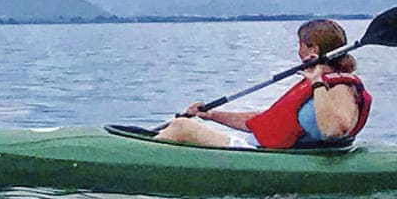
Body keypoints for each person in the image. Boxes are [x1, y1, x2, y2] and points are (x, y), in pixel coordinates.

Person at [155, 18, 372, 150]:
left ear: (313, 50)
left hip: (269, 158)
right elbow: (263, 122)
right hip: (262, 149)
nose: (298, 51)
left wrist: (317, 83)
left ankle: (141, 158)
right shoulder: (318, 84)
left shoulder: (340, 88)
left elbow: (333, 131)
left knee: (182, 127)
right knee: (183, 127)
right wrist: (212, 115)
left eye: (301, 45)